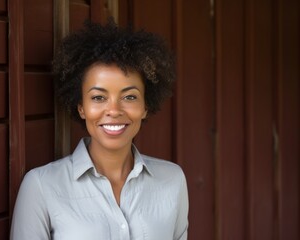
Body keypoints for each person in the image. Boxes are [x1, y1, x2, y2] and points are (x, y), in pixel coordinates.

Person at [10, 19, 188, 240]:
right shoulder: (41, 186)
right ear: (81, 108)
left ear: (145, 107)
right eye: (98, 97)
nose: (113, 110)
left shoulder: (172, 180)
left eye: (129, 97)